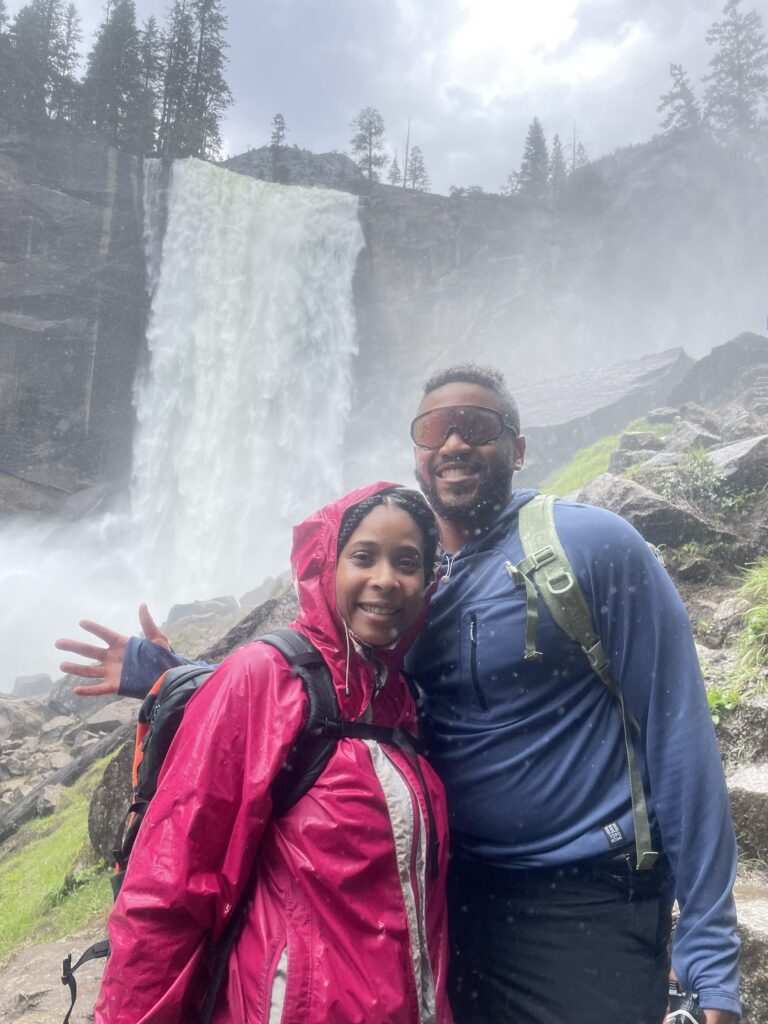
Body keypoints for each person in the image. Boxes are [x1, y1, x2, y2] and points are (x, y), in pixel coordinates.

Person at [60, 366, 741, 1024]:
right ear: (416, 456)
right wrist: (176, 673)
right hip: (448, 902)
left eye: (477, 425)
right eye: (434, 428)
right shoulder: (406, 607)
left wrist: (708, 938)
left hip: (582, 907)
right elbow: (321, 704)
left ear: (519, 447)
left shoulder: (590, 547)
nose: (454, 442)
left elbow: (679, 734)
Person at [75, 482, 453, 1024]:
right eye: (363, 557)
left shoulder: (401, 698)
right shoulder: (264, 676)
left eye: (407, 562)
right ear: (326, 565)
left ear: (427, 581)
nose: (386, 580)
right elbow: (170, 886)